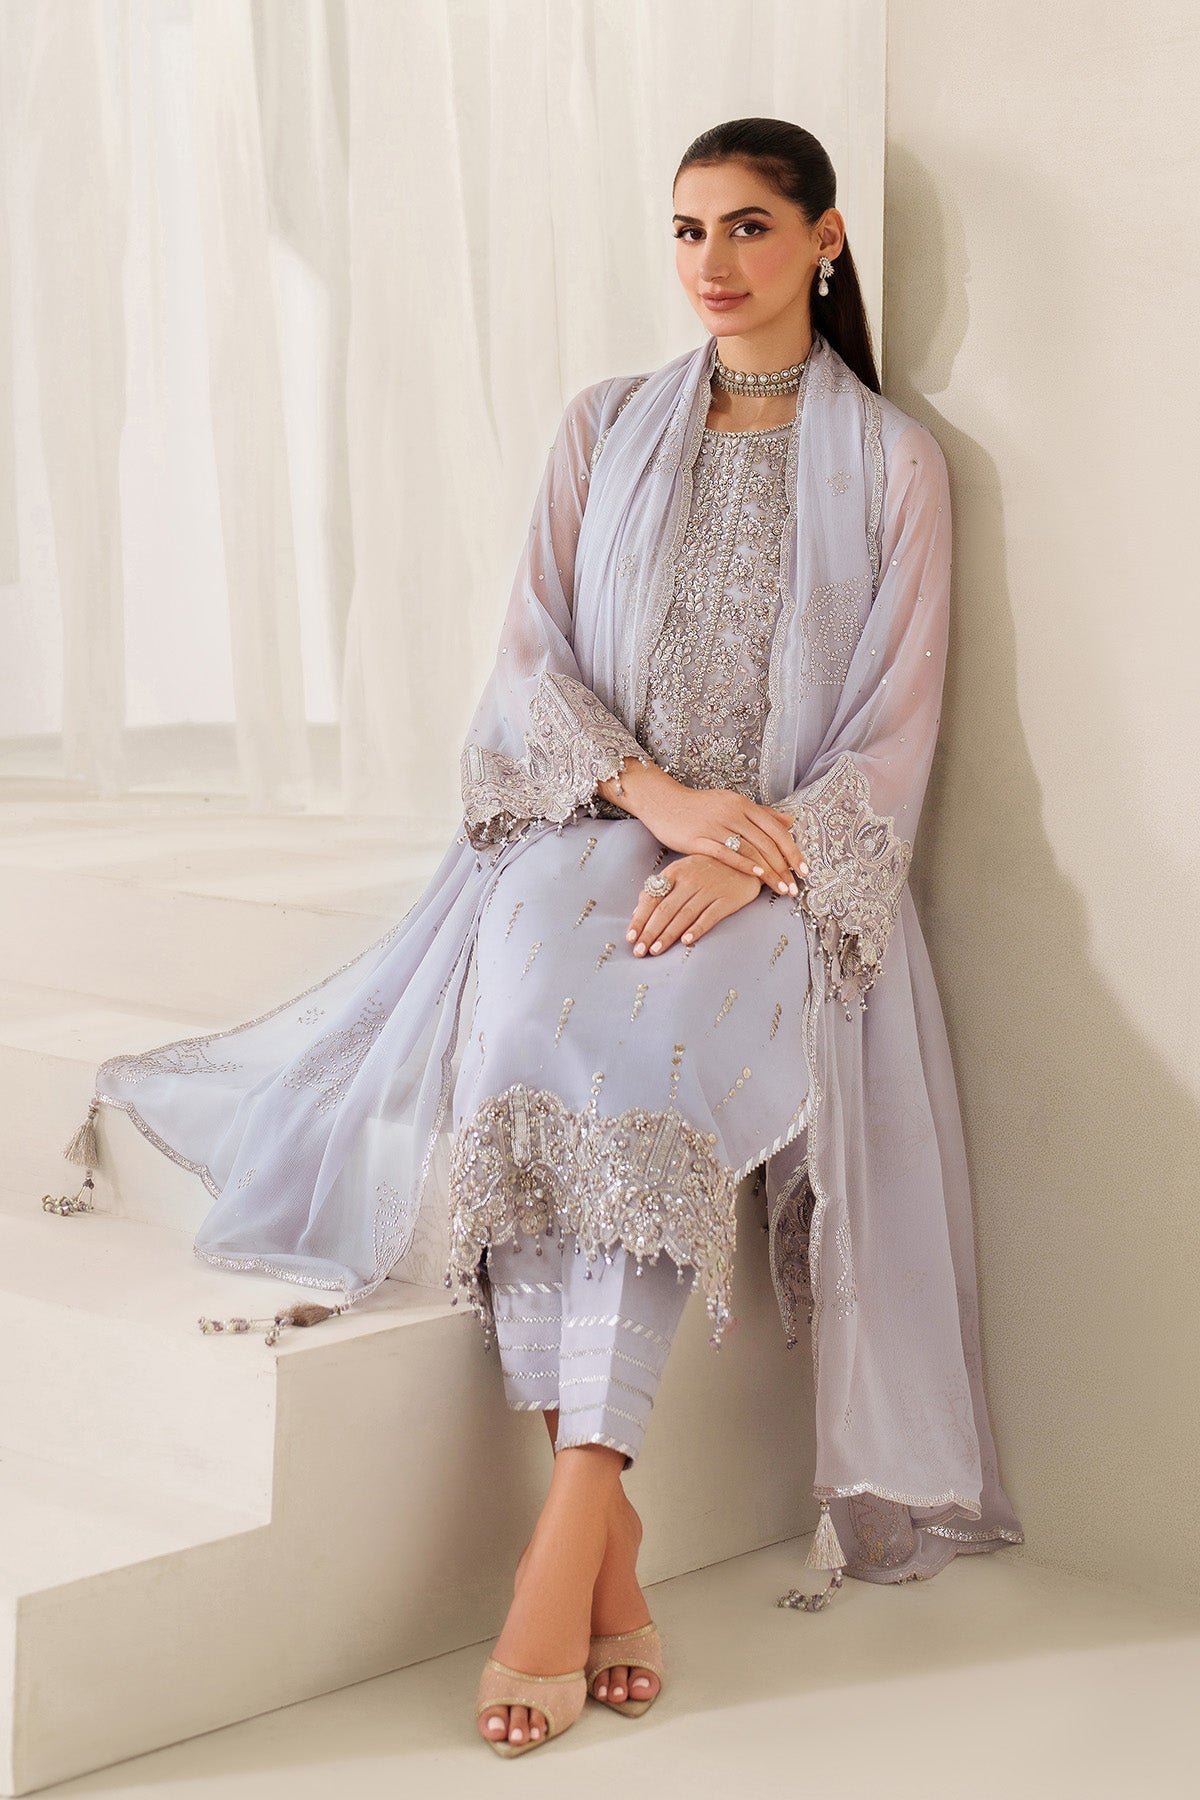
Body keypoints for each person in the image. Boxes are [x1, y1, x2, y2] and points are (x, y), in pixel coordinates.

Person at [47, 118, 1024, 1760]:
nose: (713, 263)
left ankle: (574, 1512)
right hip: (591, 823)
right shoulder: (604, 426)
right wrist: (661, 800)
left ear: (825, 240)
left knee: (643, 1060)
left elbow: (893, 732)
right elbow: (528, 667)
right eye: (688, 230)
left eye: (749, 227)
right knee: (524, 1035)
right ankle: (603, 1545)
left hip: (785, 874)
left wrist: (758, 856)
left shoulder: (894, 466)